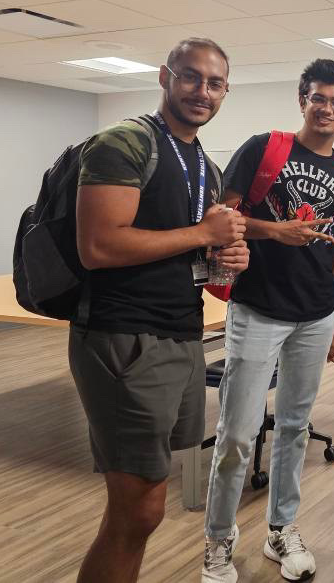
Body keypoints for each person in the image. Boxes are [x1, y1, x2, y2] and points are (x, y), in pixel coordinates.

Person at [70, 37, 249, 583]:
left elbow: (194, 255)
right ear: (164, 77)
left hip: (179, 335)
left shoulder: (204, 165)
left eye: (215, 83)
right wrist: (201, 231)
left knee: (146, 505)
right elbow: (98, 247)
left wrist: (226, 257)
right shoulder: (123, 144)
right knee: (138, 509)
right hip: (124, 337)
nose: (203, 92)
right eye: (191, 77)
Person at [201, 59, 334, 582]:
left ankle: (281, 529)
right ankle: (219, 543)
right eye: (319, 98)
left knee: (294, 428)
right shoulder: (263, 148)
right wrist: (277, 232)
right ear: (302, 100)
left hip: (315, 316)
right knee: (237, 434)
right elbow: (221, 221)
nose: (327, 108)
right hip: (257, 309)